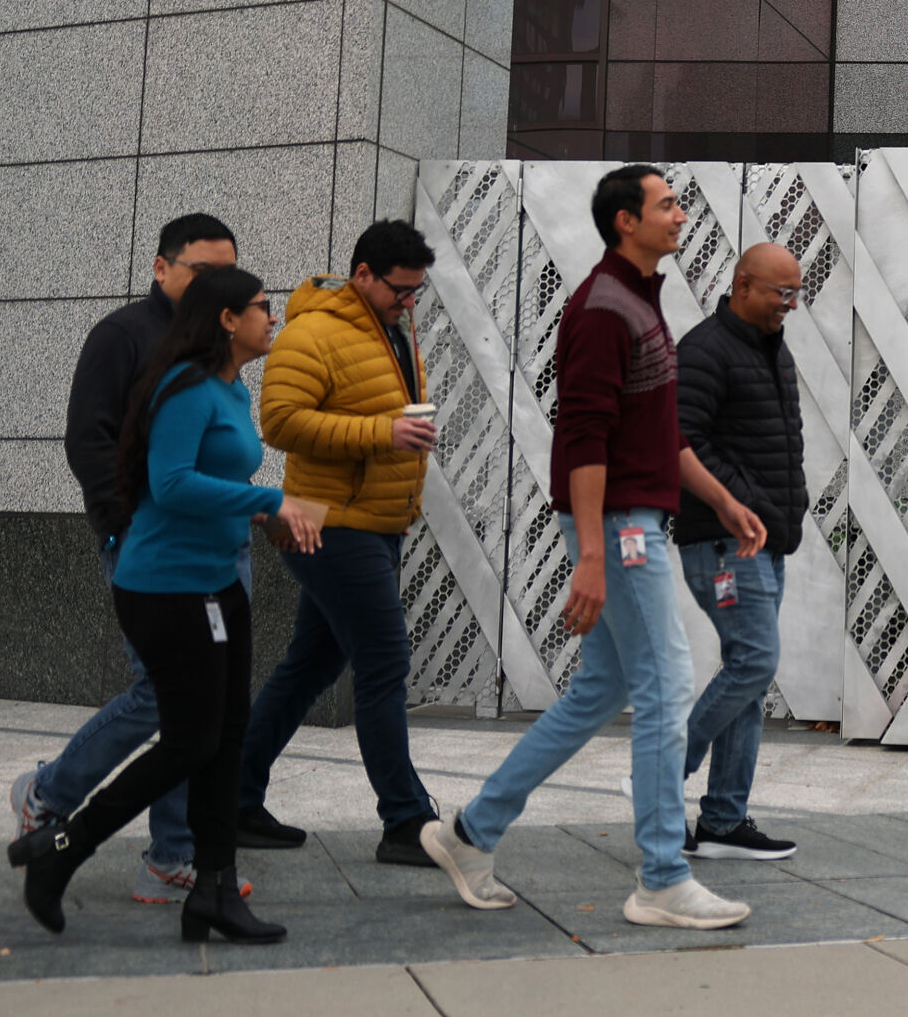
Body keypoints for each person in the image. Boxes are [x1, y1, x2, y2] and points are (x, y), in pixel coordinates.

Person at [420, 165, 765, 929]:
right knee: (667, 687)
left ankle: (471, 832)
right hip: (620, 527)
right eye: (667, 205)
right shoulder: (604, 308)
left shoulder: (638, 300)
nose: (681, 215)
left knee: (600, 692)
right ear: (625, 222)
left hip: (630, 520)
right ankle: (663, 878)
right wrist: (592, 552)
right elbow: (582, 437)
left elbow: (657, 435)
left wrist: (722, 500)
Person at [8, 266, 324, 941]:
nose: (274, 317)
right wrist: (271, 499)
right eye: (263, 307)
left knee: (224, 740)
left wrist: (262, 514)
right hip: (166, 587)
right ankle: (61, 848)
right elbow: (172, 483)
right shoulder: (185, 387)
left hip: (217, 581)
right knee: (190, 742)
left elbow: (211, 480)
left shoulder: (231, 388)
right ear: (227, 320)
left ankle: (213, 891)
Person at [11, 213, 250, 905]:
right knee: (161, 695)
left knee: (202, 707)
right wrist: (123, 525)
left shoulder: (217, 346)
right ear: (161, 267)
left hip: (220, 549)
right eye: (202, 271)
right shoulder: (123, 336)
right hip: (151, 549)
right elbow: (88, 439)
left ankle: (173, 854)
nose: (217, 286)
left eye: (228, 273)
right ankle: (49, 791)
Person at [231, 220, 442, 864]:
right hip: (326, 522)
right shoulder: (312, 331)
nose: (409, 302)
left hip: (374, 523)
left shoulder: (393, 329)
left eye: (416, 291)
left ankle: (232, 799)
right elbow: (280, 423)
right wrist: (384, 433)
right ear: (363, 275)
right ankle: (405, 821)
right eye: (400, 290)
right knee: (384, 660)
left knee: (311, 666)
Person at [672, 242, 811, 861]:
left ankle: (723, 822)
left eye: (797, 293)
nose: (791, 304)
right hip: (724, 540)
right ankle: (662, 772)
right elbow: (682, 442)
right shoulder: (705, 350)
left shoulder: (770, 350)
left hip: (762, 539)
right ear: (743, 285)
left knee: (749, 678)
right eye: (782, 292)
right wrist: (743, 499)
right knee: (754, 662)